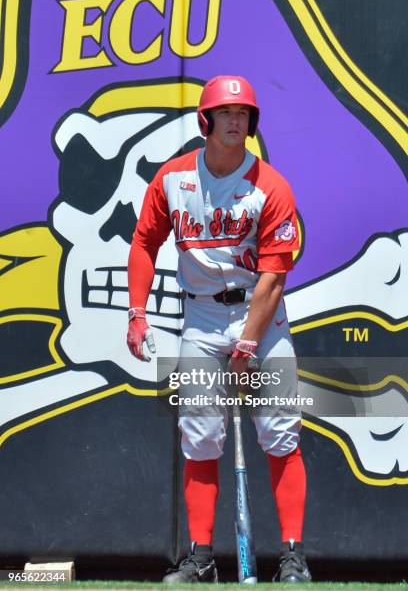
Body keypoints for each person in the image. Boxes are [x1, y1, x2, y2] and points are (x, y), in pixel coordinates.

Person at [127, 75, 311, 584]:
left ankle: (293, 556)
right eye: (226, 113)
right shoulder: (172, 180)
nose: (236, 121)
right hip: (202, 321)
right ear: (205, 121)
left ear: (253, 124)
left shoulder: (270, 186)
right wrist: (137, 313)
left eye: (244, 114)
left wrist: (250, 342)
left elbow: (274, 274)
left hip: (262, 320)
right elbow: (144, 244)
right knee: (200, 438)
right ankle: (201, 557)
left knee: (279, 434)